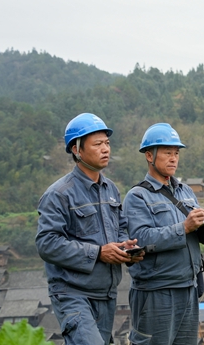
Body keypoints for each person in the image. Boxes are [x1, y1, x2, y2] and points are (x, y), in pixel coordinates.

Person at [124, 123, 204, 345]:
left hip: (188, 288)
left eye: (176, 153)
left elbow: (198, 237)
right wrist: (183, 227)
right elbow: (141, 240)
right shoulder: (137, 197)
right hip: (156, 291)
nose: (173, 158)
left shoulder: (185, 192)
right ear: (149, 155)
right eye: (167, 153)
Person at [36, 113, 143, 345]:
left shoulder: (111, 190)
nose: (105, 149)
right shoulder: (58, 194)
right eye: (97, 144)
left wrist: (126, 248)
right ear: (77, 150)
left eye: (107, 143)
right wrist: (98, 252)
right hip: (72, 293)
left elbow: (120, 228)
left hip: (106, 294)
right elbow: (47, 244)